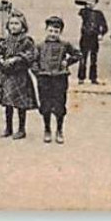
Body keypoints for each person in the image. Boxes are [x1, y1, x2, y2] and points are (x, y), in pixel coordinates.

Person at [35, 14, 82, 144]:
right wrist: (38, 72)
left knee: (59, 105)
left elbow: (78, 54)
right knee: (45, 105)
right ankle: (47, 129)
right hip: (44, 78)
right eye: (50, 30)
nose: (53, 34)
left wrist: (68, 61)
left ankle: (59, 130)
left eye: (56, 31)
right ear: (46, 30)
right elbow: (33, 60)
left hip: (60, 78)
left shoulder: (65, 44)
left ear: (60, 32)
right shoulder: (40, 46)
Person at [0, 11, 38, 140]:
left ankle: (21, 129)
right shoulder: (4, 40)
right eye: (11, 23)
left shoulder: (26, 41)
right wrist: (1, 60)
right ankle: (8, 128)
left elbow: (31, 54)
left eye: (16, 24)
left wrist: (16, 59)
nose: (13, 26)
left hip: (20, 76)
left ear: (23, 26)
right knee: (7, 103)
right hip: (6, 75)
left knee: (20, 104)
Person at [76, 0, 108, 84]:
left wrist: (101, 34)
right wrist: (86, 4)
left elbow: (104, 26)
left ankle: (93, 78)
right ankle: (81, 78)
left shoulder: (99, 14)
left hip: (94, 38)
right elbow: (82, 12)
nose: (90, 3)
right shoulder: (84, 11)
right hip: (85, 37)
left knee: (94, 59)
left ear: (96, 3)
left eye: (92, 1)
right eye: (88, 0)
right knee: (83, 58)